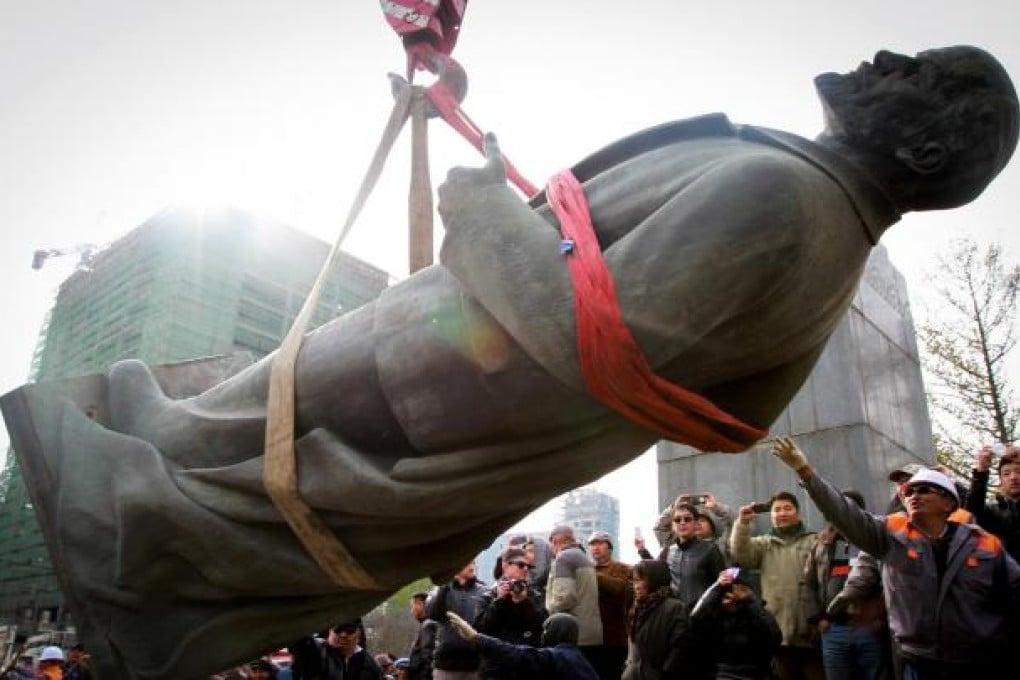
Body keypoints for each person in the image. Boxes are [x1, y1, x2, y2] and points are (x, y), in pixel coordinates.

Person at [6, 45, 1018, 680]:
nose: (889, 55)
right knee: (233, 423)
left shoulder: (786, 205)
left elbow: (605, 340)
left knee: (255, 428)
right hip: (445, 368)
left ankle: (128, 495)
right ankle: (155, 462)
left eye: (923, 74)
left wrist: (484, 211)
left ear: (929, 154)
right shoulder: (808, 205)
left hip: (448, 374)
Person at [771, 436, 1020, 679]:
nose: (912, 494)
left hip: (979, 662)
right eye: (909, 490)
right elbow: (845, 513)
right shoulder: (890, 534)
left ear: (948, 502)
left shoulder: (984, 543)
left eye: (924, 490)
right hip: (918, 663)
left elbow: (1014, 594)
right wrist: (805, 471)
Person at [729, 491, 822, 680]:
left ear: (798, 512)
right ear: (771, 516)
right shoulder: (764, 544)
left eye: (788, 508)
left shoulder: (814, 540)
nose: (782, 513)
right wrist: (743, 524)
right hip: (777, 630)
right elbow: (740, 554)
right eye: (777, 510)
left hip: (810, 629)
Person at [800, 491, 891, 680]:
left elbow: (889, 580)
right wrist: (817, 619)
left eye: (851, 508)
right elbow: (807, 584)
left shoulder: (874, 538)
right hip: (833, 629)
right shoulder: (821, 542)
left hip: (869, 629)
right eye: (841, 506)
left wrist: (881, 618)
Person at [446, 611, 598, 680]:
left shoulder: (557, 656)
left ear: (555, 632)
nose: (543, 636)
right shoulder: (579, 660)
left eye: (546, 631)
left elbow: (515, 654)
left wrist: (476, 638)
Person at [690, 567, 783, 680]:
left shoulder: (755, 614)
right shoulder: (715, 616)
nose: (731, 598)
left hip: (755, 674)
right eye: (726, 594)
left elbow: (775, 636)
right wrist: (716, 588)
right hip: (721, 674)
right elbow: (694, 619)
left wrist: (751, 601)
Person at [474, 547, 548, 679]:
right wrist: (500, 600)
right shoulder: (487, 597)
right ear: (505, 565)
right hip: (496, 667)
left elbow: (543, 627)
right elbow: (482, 632)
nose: (525, 569)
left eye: (528, 566)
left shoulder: (534, 595)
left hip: (526, 666)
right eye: (520, 565)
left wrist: (523, 602)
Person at [621, 559, 699, 680]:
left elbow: (680, 648)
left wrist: (664, 673)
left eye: (640, 580)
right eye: (634, 580)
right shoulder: (636, 607)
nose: (635, 586)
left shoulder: (674, 608)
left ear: (655, 580)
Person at [546, 526, 603, 667]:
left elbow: (564, 598)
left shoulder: (564, 558)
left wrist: (549, 612)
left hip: (573, 635)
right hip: (592, 634)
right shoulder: (584, 558)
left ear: (554, 541)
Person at [585, 531, 633, 680]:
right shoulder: (587, 571)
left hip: (614, 638)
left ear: (609, 547)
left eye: (600, 543)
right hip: (591, 638)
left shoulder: (623, 568)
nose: (595, 547)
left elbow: (619, 588)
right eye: (592, 544)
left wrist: (593, 574)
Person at [427, 561, 488, 680]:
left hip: (475, 665)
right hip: (445, 665)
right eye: (468, 562)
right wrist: (444, 586)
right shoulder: (441, 589)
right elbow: (431, 614)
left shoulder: (484, 591)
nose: (472, 566)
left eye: (473, 563)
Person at [660, 503, 727, 609]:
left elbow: (721, 585)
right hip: (675, 617)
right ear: (672, 526)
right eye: (677, 520)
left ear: (696, 524)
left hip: (702, 616)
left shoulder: (710, 549)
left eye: (687, 519)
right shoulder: (668, 552)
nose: (682, 523)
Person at [966, 444, 1020, 562]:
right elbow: (973, 509)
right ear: (1000, 482)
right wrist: (981, 472)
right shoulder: (994, 512)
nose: (1013, 477)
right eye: (1006, 473)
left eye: (1018, 472)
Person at [289, 619, 387, 680]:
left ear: (358, 634)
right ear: (329, 630)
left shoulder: (368, 663)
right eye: (338, 629)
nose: (343, 635)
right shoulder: (316, 650)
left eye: (349, 630)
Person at [408, 591, 438, 680]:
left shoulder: (428, 625)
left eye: (412, 606)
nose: (411, 610)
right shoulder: (426, 624)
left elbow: (428, 657)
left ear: (420, 605)